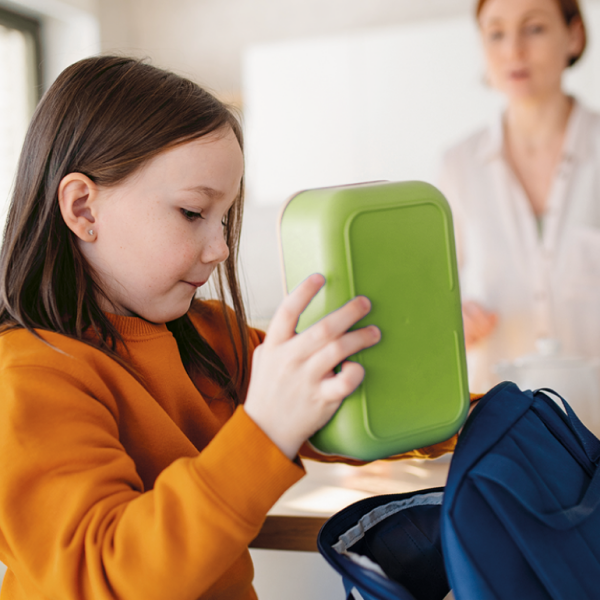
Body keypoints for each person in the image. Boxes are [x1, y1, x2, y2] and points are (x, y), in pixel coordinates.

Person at [0, 56, 460, 600]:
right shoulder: (27, 379)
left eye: (225, 219)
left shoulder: (211, 337)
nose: (219, 248)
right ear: (83, 209)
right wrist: (264, 430)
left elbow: (352, 404)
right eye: (193, 213)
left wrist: (479, 412)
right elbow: (104, 575)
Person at [438, 0, 600, 393]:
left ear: (574, 35)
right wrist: (451, 322)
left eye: (535, 28)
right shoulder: (457, 166)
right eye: (496, 33)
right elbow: (429, 308)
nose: (513, 50)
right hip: (499, 428)